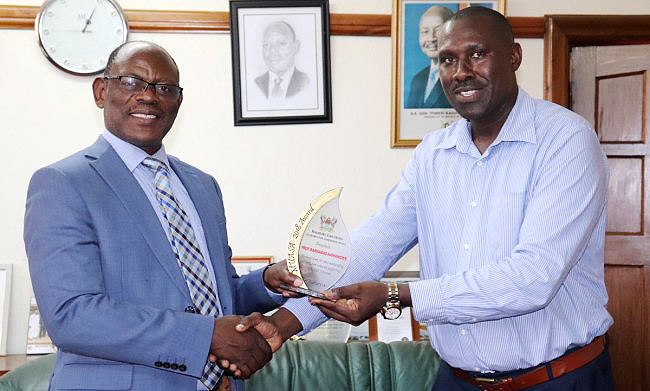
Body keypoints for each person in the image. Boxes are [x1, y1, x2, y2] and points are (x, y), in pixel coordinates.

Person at [238, 7, 615, 391]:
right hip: (457, 380)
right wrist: (283, 324)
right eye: (448, 59)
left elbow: (533, 278)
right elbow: (373, 246)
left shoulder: (565, 140)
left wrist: (395, 294)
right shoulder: (433, 153)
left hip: (555, 379)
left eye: (477, 54)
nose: (461, 71)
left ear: (514, 56)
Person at [24, 41, 302, 391]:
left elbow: (211, 298)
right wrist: (206, 336)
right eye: (130, 82)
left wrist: (264, 283)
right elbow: (72, 315)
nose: (148, 96)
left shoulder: (203, 186)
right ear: (101, 91)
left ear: (178, 102)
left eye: (164, 88)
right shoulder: (63, 183)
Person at [406, 5, 454, 109]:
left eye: (438, 30)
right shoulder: (418, 80)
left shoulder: (460, 76)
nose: (431, 38)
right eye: (425, 31)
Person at [254, 21, 309, 99]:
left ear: (296, 47)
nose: (272, 51)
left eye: (281, 44)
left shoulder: (306, 83)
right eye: (266, 45)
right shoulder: (255, 85)